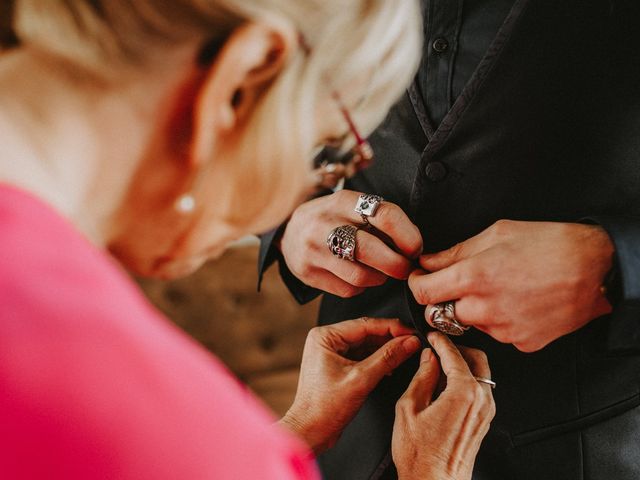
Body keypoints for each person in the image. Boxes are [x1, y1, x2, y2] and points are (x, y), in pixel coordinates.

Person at [0, 1, 496, 479]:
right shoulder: (139, 418)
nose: (287, 210)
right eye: (323, 153)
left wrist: (295, 434)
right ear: (243, 77)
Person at [259, 0, 640, 478]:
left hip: (573, 443)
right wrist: (287, 216)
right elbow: (253, 85)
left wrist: (613, 266)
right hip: (346, 416)